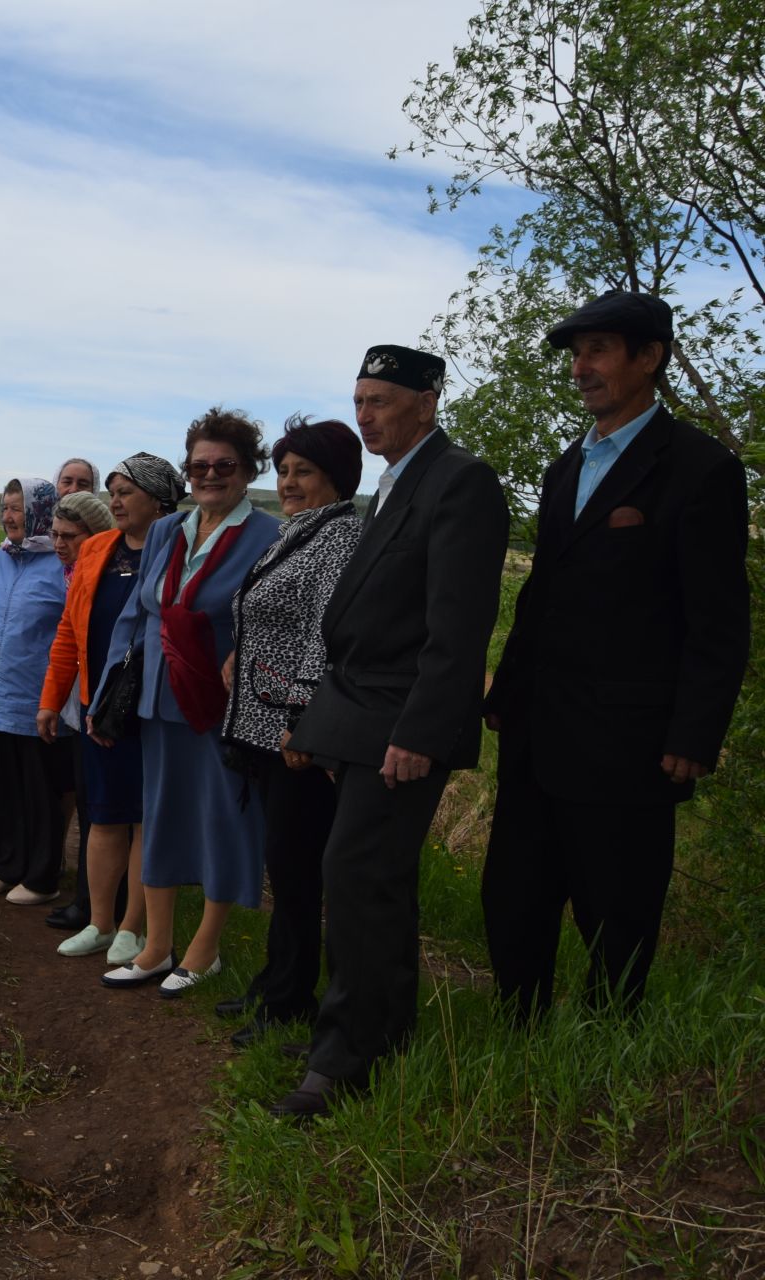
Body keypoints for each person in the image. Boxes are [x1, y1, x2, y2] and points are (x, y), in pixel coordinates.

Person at [482, 292, 749, 1022]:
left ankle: (605, 1044)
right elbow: (543, 591)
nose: (580, 368)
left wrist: (695, 734)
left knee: (618, 909)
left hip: (629, 741)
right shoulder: (567, 466)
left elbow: (719, 621)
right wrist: (505, 691)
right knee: (515, 893)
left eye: (597, 350)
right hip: (539, 729)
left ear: (650, 358)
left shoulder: (701, 468)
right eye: (576, 354)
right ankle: (520, 1029)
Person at [268, 345, 509, 1119]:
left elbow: (457, 629)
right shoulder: (395, 485)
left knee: (360, 878)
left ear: (427, 402)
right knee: (371, 884)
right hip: (361, 713)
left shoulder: (460, 481)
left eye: (379, 399)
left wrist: (422, 733)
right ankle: (379, 1033)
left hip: (403, 721)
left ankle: (343, 1061)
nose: (365, 412)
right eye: (360, 399)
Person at [94, 413, 281, 995]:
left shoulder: (267, 537)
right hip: (157, 700)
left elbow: (274, 623)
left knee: (225, 819)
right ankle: (155, 945)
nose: (209, 475)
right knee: (162, 817)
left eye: (224, 465)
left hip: (221, 704)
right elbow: (136, 615)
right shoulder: (169, 530)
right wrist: (104, 696)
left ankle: (206, 948)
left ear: (249, 470)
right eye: (198, 466)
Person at [217, 417, 364, 1047]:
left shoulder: (340, 539)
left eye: (304, 471)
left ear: (338, 478)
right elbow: (268, 613)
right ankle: (278, 980)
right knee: (284, 861)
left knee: (299, 868)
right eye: (284, 470)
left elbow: (324, 636)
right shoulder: (297, 533)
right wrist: (239, 654)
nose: (290, 482)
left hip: (293, 734)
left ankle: (290, 999)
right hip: (263, 723)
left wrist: (303, 719)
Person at [42, 456, 187, 940]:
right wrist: (50, 699)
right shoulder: (97, 549)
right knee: (103, 814)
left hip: (153, 708)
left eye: (127, 491)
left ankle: (133, 927)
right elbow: (69, 629)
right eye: (113, 491)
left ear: (160, 500)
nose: (116, 501)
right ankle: (100, 923)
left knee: (145, 817)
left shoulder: (180, 553)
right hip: (98, 704)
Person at [0, 478, 69, 905]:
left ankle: (42, 876)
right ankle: (4, 865)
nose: (9, 516)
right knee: (3, 787)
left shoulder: (62, 565)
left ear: (42, 511)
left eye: (18, 507)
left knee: (39, 791)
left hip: (37, 698)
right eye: (6, 508)